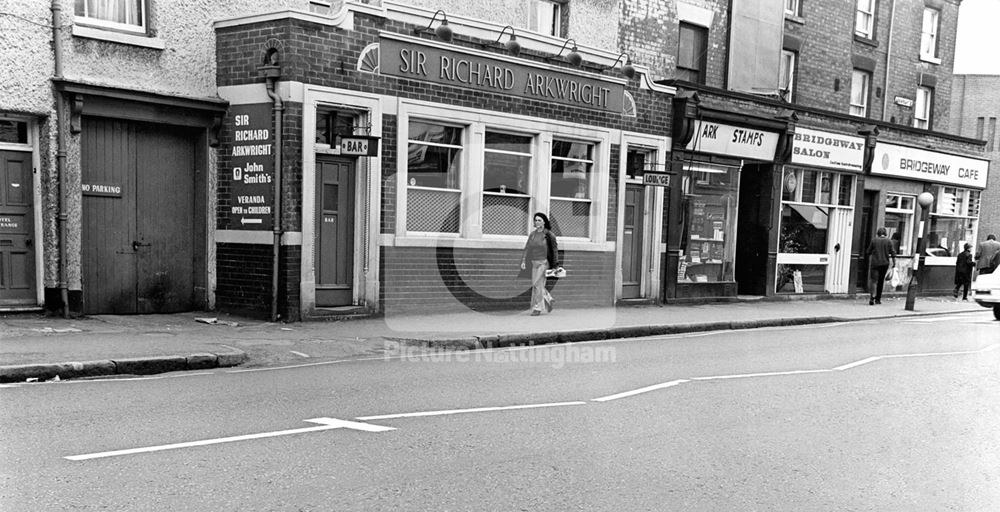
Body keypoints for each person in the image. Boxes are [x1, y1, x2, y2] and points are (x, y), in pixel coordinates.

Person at [521, 212, 559, 316]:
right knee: (536, 285)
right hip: (534, 262)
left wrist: (555, 265)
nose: (537, 222)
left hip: (544, 262)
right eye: (535, 220)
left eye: (539, 220)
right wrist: (524, 260)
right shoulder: (533, 234)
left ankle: (538, 308)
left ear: (544, 222)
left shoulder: (549, 234)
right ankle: (548, 298)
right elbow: (527, 247)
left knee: (537, 284)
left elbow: (555, 250)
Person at [866, 227, 895, 305]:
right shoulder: (889, 241)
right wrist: (894, 263)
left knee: (874, 281)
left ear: (878, 233)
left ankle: (872, 297)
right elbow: (893, 253)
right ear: (885, 233)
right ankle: (878, 299)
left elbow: (868, 251)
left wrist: (872, 253)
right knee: (881, 281)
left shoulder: (874, 240)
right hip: (884, 264)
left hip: (875, 263)